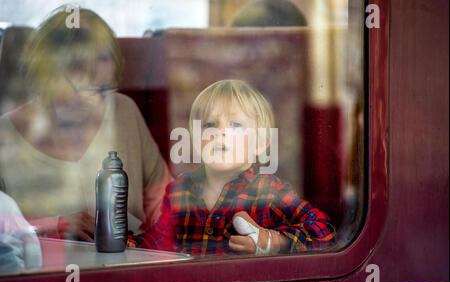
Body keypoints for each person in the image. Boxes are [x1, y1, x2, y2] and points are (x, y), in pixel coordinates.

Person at [0, 6, 171, 242]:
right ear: (43, 77)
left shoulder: (123, 110)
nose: (90, 103)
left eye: (101, 90)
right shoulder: (4, 135)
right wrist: (52, 226)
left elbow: (164, 205)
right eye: (75, 90)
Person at [128, 79, 335, 256]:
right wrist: (134, 244)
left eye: (235, 125)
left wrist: (273, 240)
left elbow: (324, 230)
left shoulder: (271, 191)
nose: (220, 132)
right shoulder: (179, 190)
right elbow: (161, 240)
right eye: (209, 125)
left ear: (260, 143)